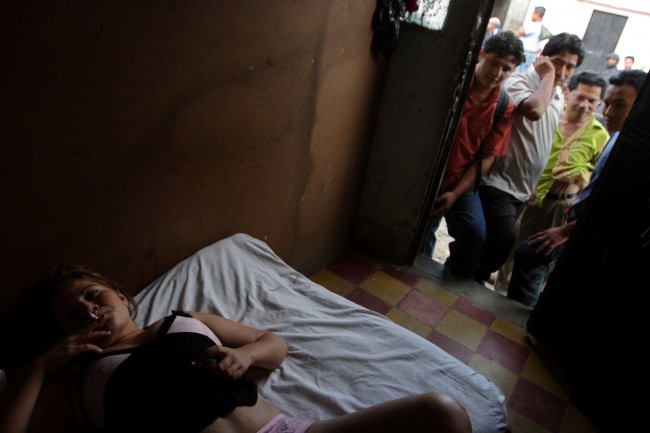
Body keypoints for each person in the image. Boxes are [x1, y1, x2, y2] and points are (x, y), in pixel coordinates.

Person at [0, 264, 473, 433]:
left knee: (444, 412)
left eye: (92, 294)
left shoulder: (185, 320)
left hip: (288, 431)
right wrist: (41, 367)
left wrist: (244, 356)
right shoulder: (78, 379)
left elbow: (275, 343)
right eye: (69, 313)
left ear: (122, 296)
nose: (87, 309)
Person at [507, 69, 647, 307]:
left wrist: (565, 231)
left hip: (578, 226)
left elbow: (618, 205)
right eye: (608, 103)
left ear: (642, 106)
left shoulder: (622, 144)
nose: (606, 112)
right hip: (543, 203)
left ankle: (521, 318)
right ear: (568, 94)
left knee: (531, 257)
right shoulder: (615, 136)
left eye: (619, 105)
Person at [473, 33, 585, 285]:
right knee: (502, 239)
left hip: (522, 189)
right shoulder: (520, 83)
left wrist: (534, 182)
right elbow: (534, 111)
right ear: (543, 57)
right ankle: (463, 276)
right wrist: (547, 75)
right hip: (497, 181)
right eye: (558, 62)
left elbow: (540, 140)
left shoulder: (556, 94)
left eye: (570, 66)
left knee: (494, 244)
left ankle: (469, 281)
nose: (563, 71)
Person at [493, 71, 609, 291]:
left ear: (599, 102)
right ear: (567, 93)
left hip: (560, 206)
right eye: (580, 97)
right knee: (513, 248)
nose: (585, 104)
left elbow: (597, 174)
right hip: (530, 196)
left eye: (592, 100)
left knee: (540, 254)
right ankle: (500, 293)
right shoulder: (550, 116)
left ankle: (523, 298)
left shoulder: (600, 135)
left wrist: (580, 177)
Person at [424, 31, 524, 277]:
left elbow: (486, 157)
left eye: (507, 69)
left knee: (475, 233)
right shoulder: (454, 80)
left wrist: (455, 194)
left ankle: (451, 283)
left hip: (461, 181)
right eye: (494, 62)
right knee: (418, 237)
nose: (498, 73)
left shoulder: (504, 105)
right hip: (426, 174)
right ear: (482, 54)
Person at [515, 6, 546, 73]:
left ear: (537, 14)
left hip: (527, 53)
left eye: (533, 13)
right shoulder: (539, 26)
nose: (531, 15)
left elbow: (521, 32)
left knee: (517, 72)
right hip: (530, 54)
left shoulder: (534, 25)